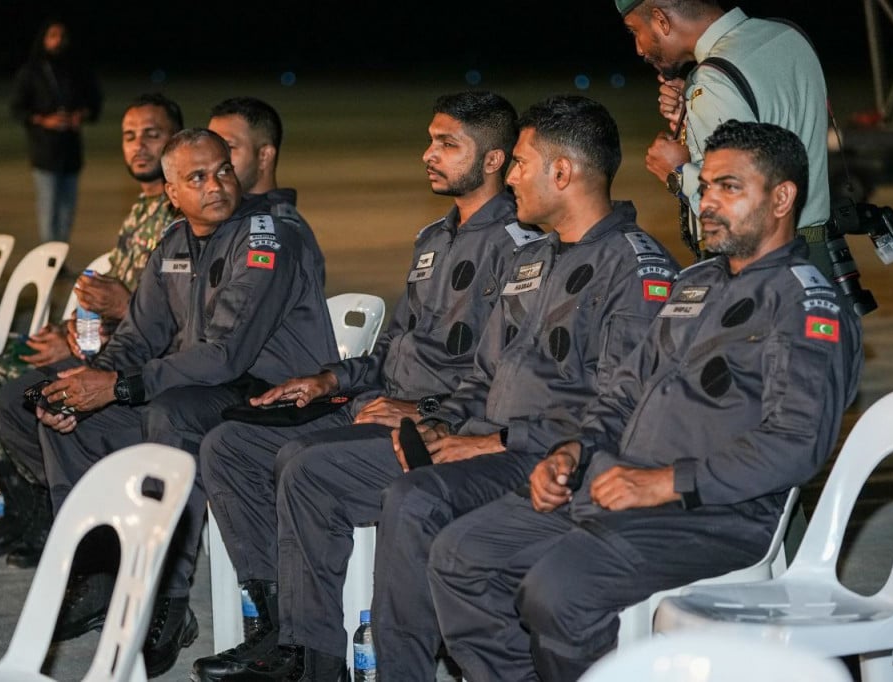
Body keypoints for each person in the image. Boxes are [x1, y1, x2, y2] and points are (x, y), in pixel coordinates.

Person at [256, 94, 679, 682]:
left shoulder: (632, 268)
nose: (510, 176)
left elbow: (623, 410)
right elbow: (484, 375)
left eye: (522, 163)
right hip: (487, 440)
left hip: (551, 461)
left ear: (563, 172)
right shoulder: (538, 261)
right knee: (314, 469)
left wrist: (497, 441)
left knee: (417, 501)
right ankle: (320, 664)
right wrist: (439, 424)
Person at [427, 120, 865, 682]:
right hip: (614, 486)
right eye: (705, 186)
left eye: (729, 188)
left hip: (711, 514)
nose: (707, 203)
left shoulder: (804, 304)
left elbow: (796, 443)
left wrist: (665, 482)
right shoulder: (697, 283)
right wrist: (571, 455)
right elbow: (622, 395)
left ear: (782, 198)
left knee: (558, 590)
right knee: (461, 554)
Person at [191, 91, 542, 682]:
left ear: (493, 161)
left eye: (446, 144)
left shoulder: (520, 253)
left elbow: (502, 380)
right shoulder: (434, 239)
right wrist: (327, 379)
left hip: (438, 426)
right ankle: (279, 622)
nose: (428, 154)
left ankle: (314, 659)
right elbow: (388, 352)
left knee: (305, 466)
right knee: (229, 445)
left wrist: (422, 407)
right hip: (375, 407)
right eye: (430, 140)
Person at [0, 128, 339, 677]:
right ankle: (101, 573)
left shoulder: (266, 237)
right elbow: (136, 340)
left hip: (274, 395)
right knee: (72, 419)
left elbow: (227, 354)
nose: (216, 185)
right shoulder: (175, 242)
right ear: (171, 194)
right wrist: (86, 388)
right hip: (206, 390)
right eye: (197, 178)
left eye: (223, 170)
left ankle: (169, 600)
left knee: (169, 413)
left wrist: (118, 387)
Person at [0, 92, 182, 565]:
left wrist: (87, 333)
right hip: (98, 347)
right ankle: (32, 511)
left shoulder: (180, 216)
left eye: (152, 135)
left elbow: (156, 313)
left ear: (176, 141)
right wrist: (68, 328)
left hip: (129, 363)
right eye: (129, 136)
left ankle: (55, 517)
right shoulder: (142, 210)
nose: (139, 147)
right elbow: (108, 301)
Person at [620, 0, 834, 279]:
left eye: (635, 30)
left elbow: (737, 210)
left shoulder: (713, 80)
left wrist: (677, 172)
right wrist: (693, 117)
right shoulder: (787, 36)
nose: (639, 48)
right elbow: (775, 126)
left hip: (762, 264)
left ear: (661, 19)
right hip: (816, 253)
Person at [208, 96, 326, 286]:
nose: (214, 159)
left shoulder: (277, 232)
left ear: (264, 156)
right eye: (211, 147)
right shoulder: (229, 217)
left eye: (229, 147)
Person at [10, 18, 102, 244]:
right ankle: (48, 260)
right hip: (44, 151)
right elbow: (17, 108)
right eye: (53, 35)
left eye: (62, 36)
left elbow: (95, 102)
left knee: (67, 209)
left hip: (71, 150)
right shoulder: (31, 72)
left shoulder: (77, 70)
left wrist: (81, 115)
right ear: (43, 39)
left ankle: (59, 257)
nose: (58, 41)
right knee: (48, 206)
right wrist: (43, 120)